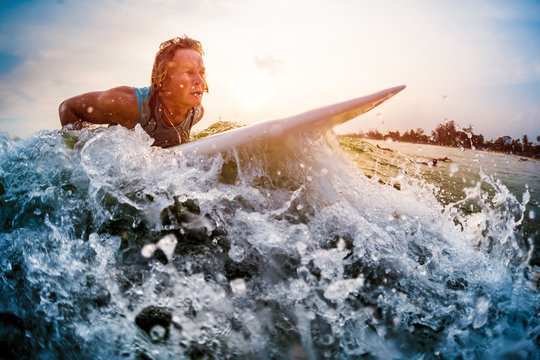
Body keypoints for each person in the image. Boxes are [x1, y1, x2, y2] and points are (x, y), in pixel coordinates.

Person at [59, 35, 208, 148]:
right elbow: (68, 107)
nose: (200, 81)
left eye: (201, 72)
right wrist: (76, 153)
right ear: (163, 79)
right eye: (188, 72)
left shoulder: (196, 113)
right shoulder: (127, 104)